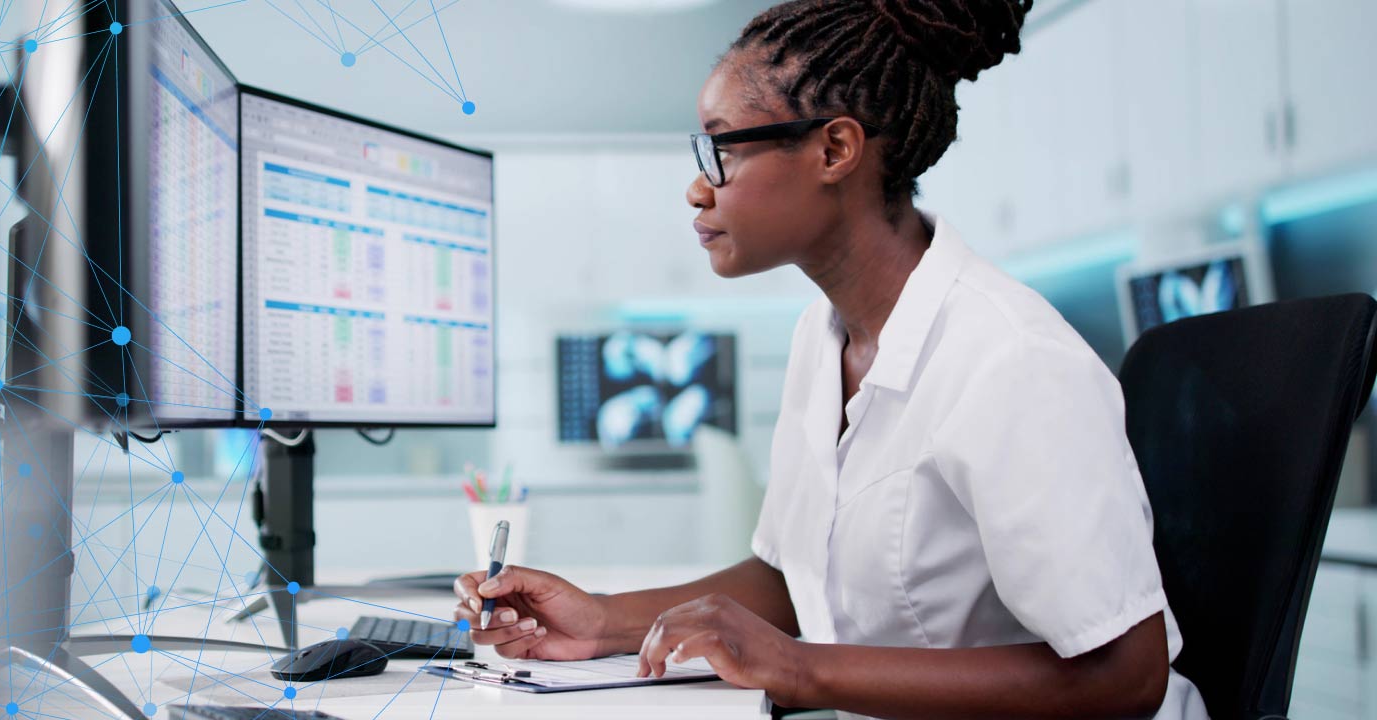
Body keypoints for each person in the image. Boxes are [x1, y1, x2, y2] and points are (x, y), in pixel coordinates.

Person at [453, 1, 1210, 717]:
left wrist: (801, 668)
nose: (696, 187)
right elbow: (795, 579)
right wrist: (603, 620)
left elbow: (1127, 675)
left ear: (834, 149)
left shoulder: (1012, 360)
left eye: (722, 147)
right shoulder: (824, 337)